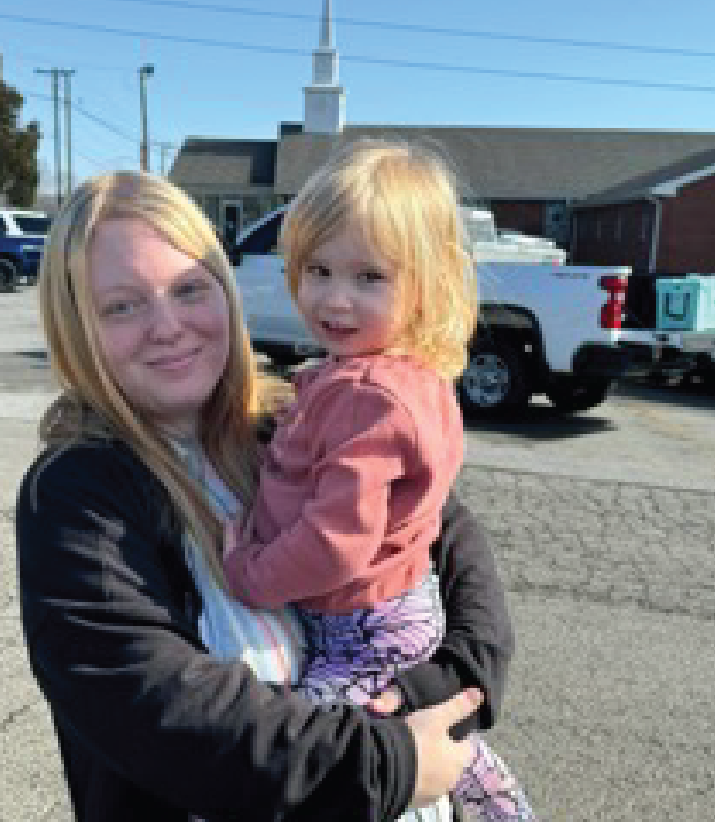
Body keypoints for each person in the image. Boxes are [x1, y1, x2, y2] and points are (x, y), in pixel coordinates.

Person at [15, 168, 515, 822]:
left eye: (189, 289)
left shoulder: (291, 417)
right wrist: (392, 762)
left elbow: (451, 542)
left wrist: (446, 684)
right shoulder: (76, 494)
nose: (168, 326)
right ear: (75, 324)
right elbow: (159, 710)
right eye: (122, 305)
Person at [223, 139, 534, 822]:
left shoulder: (367, 395)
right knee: (456, 750)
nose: (334, 298)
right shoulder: (397, 377)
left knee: (317, 751)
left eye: (369, 277)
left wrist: (246, 572)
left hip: (361, 629)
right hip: (397, 614)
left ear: (423, 283)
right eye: (318, 269)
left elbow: (336, 543)